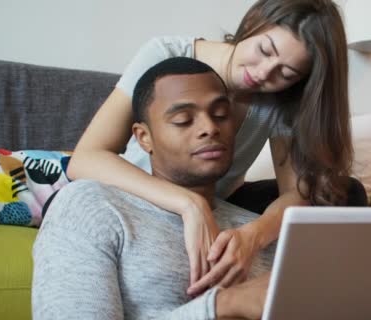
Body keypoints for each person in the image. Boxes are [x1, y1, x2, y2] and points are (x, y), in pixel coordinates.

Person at [66, 0, 371, 308]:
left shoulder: (278, 99)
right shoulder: (167, 56)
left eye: (286, 73)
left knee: (342, 192)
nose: (263, 75)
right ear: (255, 22)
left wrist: (253, 236)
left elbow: (295, 193)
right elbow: (84, 160)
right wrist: (188, 203)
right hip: (145, 193)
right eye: (265, 51)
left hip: (220, 197)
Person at [33, 57, 272, 320]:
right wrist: (222, 305)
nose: (210, 128)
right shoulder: (91, 207)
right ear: (144, 138)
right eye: (183, 120)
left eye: (220, 115)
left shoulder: (259, 231)